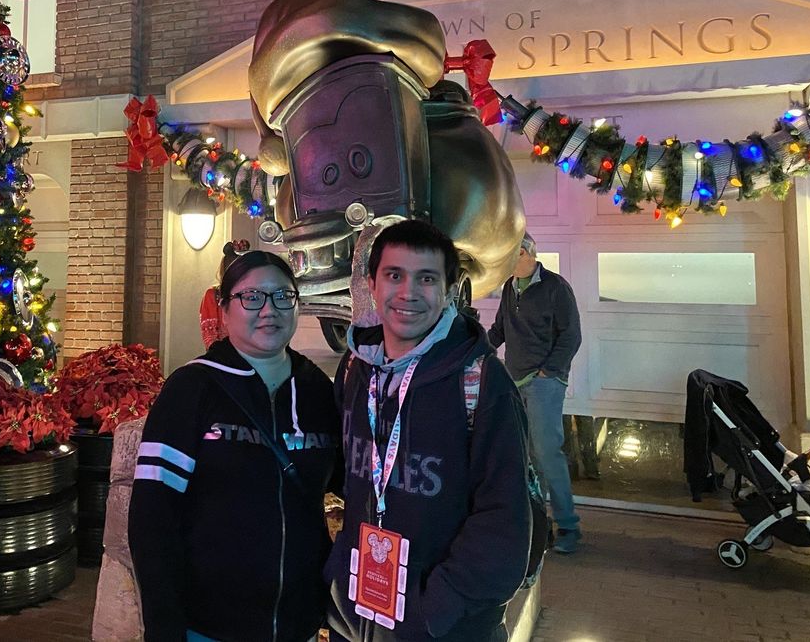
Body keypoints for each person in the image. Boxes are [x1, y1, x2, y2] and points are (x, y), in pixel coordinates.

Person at [328, 220, 531, 642]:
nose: (408, 293)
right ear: (372, 282)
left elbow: (504, 518)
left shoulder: (480, 381)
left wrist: (433, 609)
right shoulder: (354, 369)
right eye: (394, 275)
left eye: (426, 278)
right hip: (361, 616)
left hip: (446, 627)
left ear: (449, 289)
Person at [129, 249, 341, 642]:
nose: (269, 309)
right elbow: (152, 519)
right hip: (209, 625)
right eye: (252, 297)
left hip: (300, 623)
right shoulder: (192, 388)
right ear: (224, 309)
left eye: (283, 296)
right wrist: (164, 625)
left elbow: (350, 481)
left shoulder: (317, 390)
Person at [488, 233, 583, 554]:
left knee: (546, 453)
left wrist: (549, 371)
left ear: (528, 254)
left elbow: (571, 336)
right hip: (514, 382)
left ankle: (568, 525)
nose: (506, 265)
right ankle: (539, 527)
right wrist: (477, 352)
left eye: (511, 257)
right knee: (524, 457)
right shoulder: (509, 288)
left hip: (544, 383)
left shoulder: (555, 288)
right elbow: (500, 330)